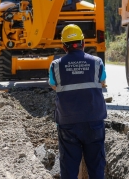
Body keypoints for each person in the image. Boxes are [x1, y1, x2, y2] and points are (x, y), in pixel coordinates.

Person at [48, 24, 107, 179]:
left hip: (68, 123)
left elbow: (53, 84)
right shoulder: (97, 62)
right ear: (83, 43)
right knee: (96, 168)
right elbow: (102, 80)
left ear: (63, 46)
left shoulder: (56, 65)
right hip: (93, 122)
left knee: (69, 168)